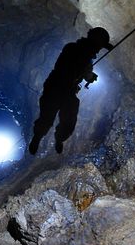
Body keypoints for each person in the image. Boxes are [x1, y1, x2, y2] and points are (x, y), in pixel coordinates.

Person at [29, 27, 113, 155]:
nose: (98, 50)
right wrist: (87, 73)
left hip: (68, 90)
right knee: (47, 117)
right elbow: (70, 65)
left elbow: (84, 70)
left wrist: (89, 76)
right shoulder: (73, 48)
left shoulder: (86, 56)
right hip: (56, 86)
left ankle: (59, 138)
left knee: (68, 121)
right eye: (99, 46)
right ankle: (37, 137)